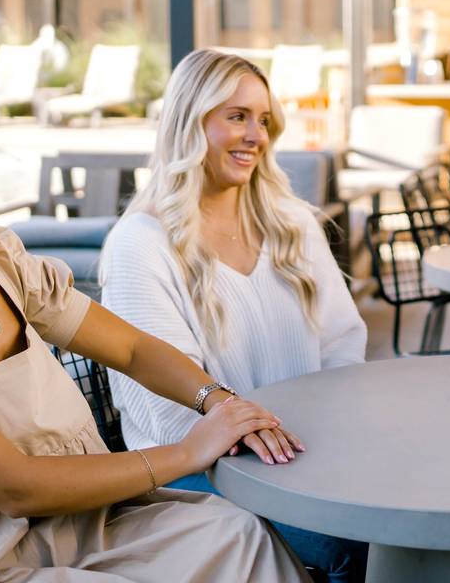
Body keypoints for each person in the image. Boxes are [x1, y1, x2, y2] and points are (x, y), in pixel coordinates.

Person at [0, 89, 310, 581]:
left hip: (90, 515)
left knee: (238, 534)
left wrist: (220, 404)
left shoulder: (0, 261)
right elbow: (15, 488)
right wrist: (189, 451)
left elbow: (132, 347)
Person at [100, 48, 368, 581]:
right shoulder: (141, 245)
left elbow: (342, 346)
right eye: (236, 116)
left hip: (307, 453)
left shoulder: (290, 223)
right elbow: (167, 410)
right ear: (189, 122)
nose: (256, 136)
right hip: (202, 473)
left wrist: (336, 441)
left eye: (263, 120)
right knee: (357, 541)